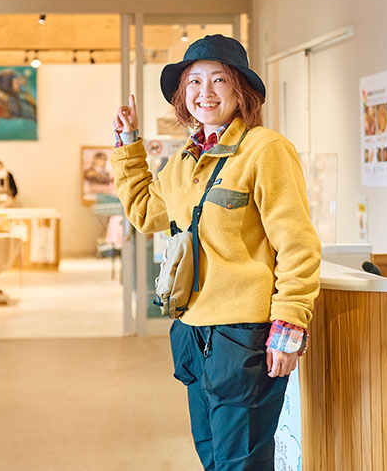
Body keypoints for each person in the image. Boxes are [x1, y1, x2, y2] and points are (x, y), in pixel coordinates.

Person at [110, 34, 321, 471]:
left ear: (240, 90)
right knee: (214, 460)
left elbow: (297, 244)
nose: (205, 93)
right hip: (191, 333)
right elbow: (146, 212)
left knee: (240, 465)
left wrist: (289, 324)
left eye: (218, 80)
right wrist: (129, 145)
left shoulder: (265, 150)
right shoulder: (185, 161)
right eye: (194, 83)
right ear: (183, 97)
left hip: (243, 336)